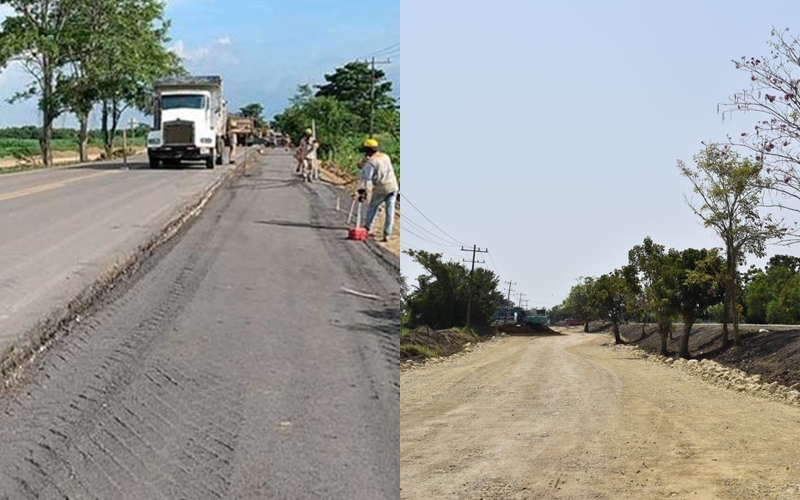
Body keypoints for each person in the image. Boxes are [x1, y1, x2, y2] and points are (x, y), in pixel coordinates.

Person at [357, 138, 398, 242]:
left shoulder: (371, 162)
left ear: (367, 151)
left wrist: (362, 192)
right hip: (393, 186)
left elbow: (367, 178)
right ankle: (387, 234)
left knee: (373, 207)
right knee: (390, 211)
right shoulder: (385, 156)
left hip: (381, 188)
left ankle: (367, 228)